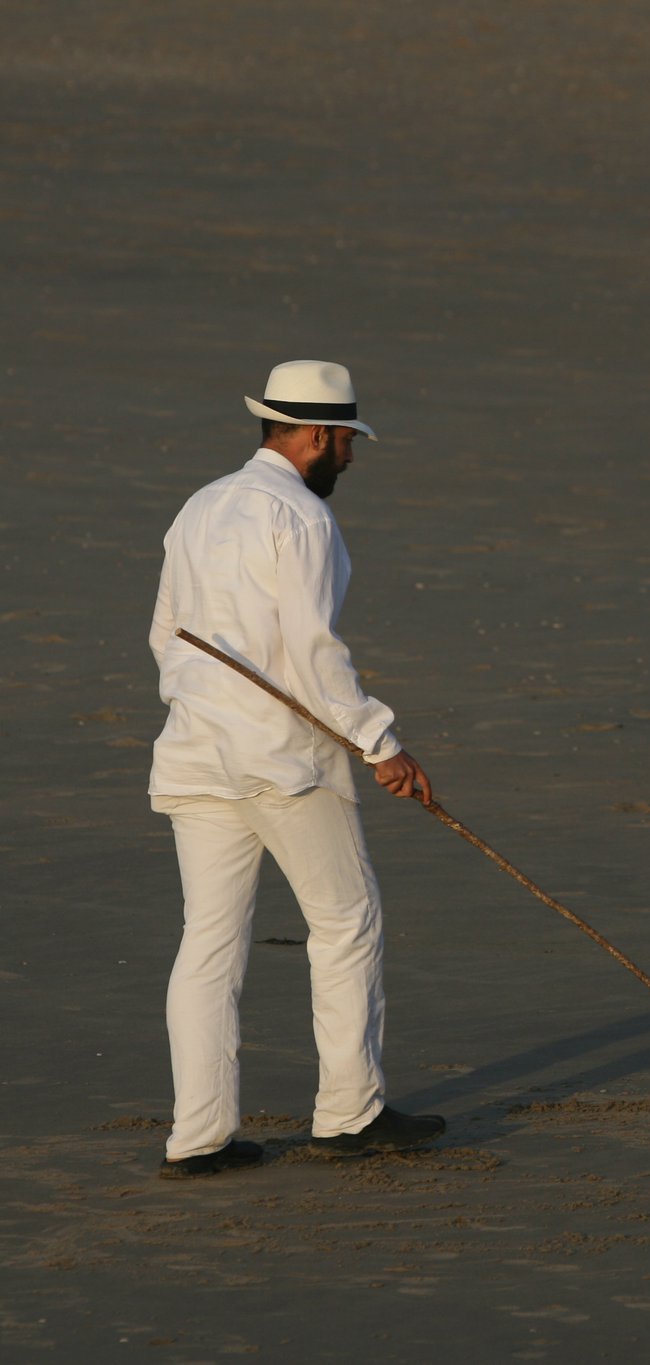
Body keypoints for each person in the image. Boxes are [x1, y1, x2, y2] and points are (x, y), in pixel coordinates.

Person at [148, 360, 445, 1179]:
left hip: (195, 749)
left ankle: (198, 1136)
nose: (349, 457)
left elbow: (166, 635)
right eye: (346, 442)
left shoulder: (199, 506)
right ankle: (350, 1114)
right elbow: (316, 655)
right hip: (281, 761)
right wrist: (382, 743)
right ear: (316, 435)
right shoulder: (301, 517)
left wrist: (199, 706)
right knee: (347, 920)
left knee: (207, 941)